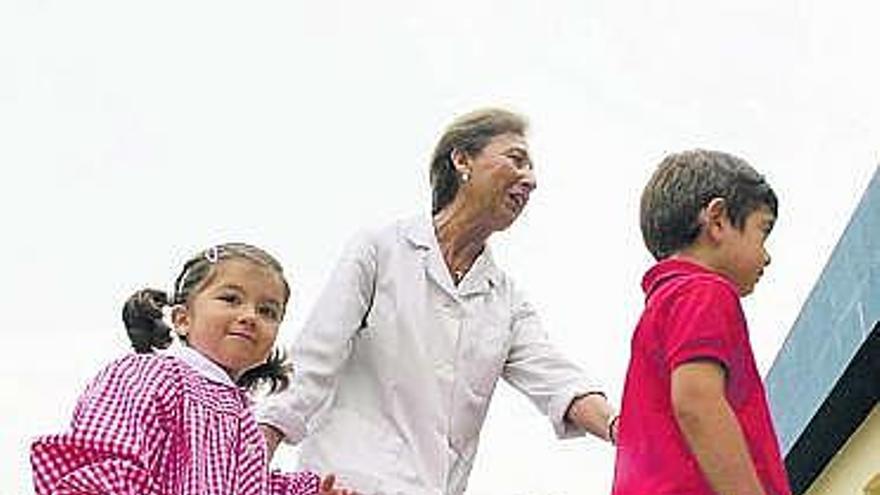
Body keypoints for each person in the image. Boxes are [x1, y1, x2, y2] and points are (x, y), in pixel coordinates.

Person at [257, 108, 617, 495]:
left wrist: (622, 429)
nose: (530, 180)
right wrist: (247, 462)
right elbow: (312, 362)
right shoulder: (380, 250)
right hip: (344, 485)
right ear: (462, 159)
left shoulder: (506, 301)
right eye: (517, 160)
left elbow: (560, 382)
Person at [30, 243, 353, 495]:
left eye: (268, 310)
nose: (250, 315)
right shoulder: (149, 376)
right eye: (230, 299)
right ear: (183, 319)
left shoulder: (241, 419)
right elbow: (105, 459)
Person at [612, 150, 792, 494]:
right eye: (762, 231)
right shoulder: (705, 291)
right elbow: (696, 399)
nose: (766, 255)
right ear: (718, 220)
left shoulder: (664, 304)